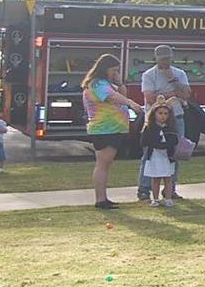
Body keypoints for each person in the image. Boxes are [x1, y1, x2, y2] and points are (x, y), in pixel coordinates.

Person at [81, 53, 144, 209]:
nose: (115, 73)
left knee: (106, 165)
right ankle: (100, 199)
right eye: (114, 70)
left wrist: (120, 83)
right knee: (102, 164)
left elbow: (120, 94)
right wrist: (131, 103)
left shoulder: (107, 83)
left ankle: (104, 197)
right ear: (105, 68)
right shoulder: (97, 84)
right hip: (104, 129)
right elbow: (111, 97)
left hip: (113, 128)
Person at [137, 45, 191, 202]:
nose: (165, 62)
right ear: (156, 59)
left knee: (175, 153)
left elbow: (187, 94)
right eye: (162, 59)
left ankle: (170, 189)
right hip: (154, 120)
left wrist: (174, 82)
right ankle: (144, 189)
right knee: (149, 153)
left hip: (176, 118)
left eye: (168, 58)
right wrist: (173, 94)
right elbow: (150, 98)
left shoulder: (179, 73)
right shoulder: (149, 75)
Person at [140, 100, 179, 207]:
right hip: (154, 156)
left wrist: (165, 146)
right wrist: (157, 145)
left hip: (167, 156)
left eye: (165, 114)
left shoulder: (170, 128)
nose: (163, 116)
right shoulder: (149, 128)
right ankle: (155, 199)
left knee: (168, 178)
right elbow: (144, 141)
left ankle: (168, 198)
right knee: (155, 178)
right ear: (154, 114)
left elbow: (174, 141)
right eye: (160, 113)